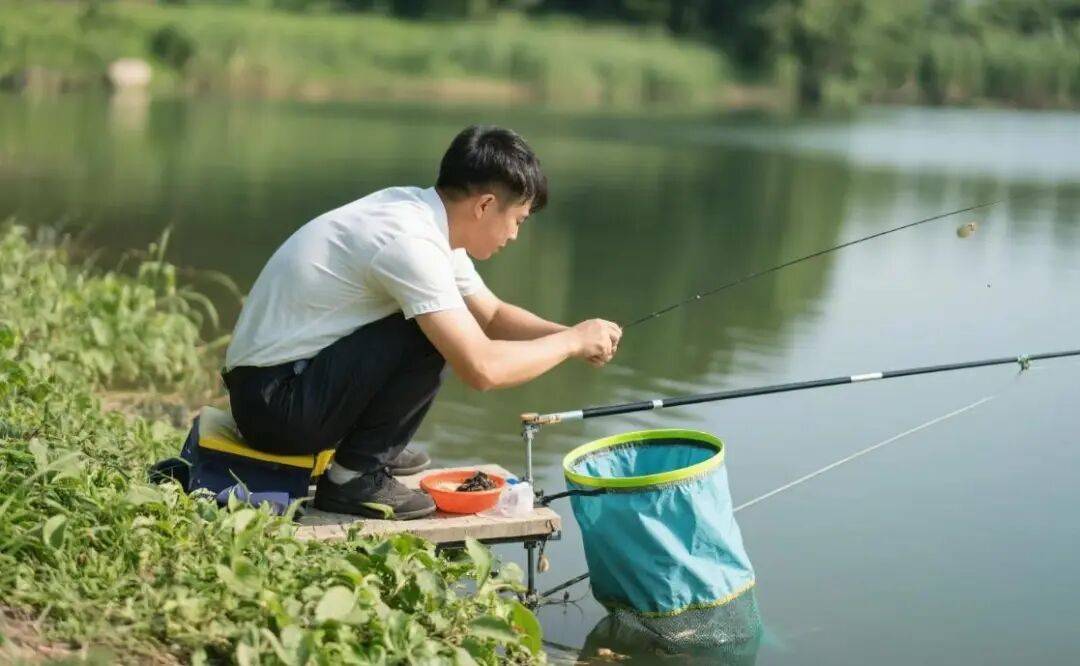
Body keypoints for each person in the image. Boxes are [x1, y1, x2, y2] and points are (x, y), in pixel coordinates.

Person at [221, 125, 622, 520]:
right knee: (430, 331)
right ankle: (352, 477)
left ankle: (368, 446)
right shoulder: (410, 243)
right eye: (518, 219)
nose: (515, 234)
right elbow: (482, 368)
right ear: (484, 206)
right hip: (275, 408)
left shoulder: (424, 218)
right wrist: (571, 343)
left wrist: (575, 335)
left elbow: (493, 315)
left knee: (442, 317)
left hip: (275, 387)